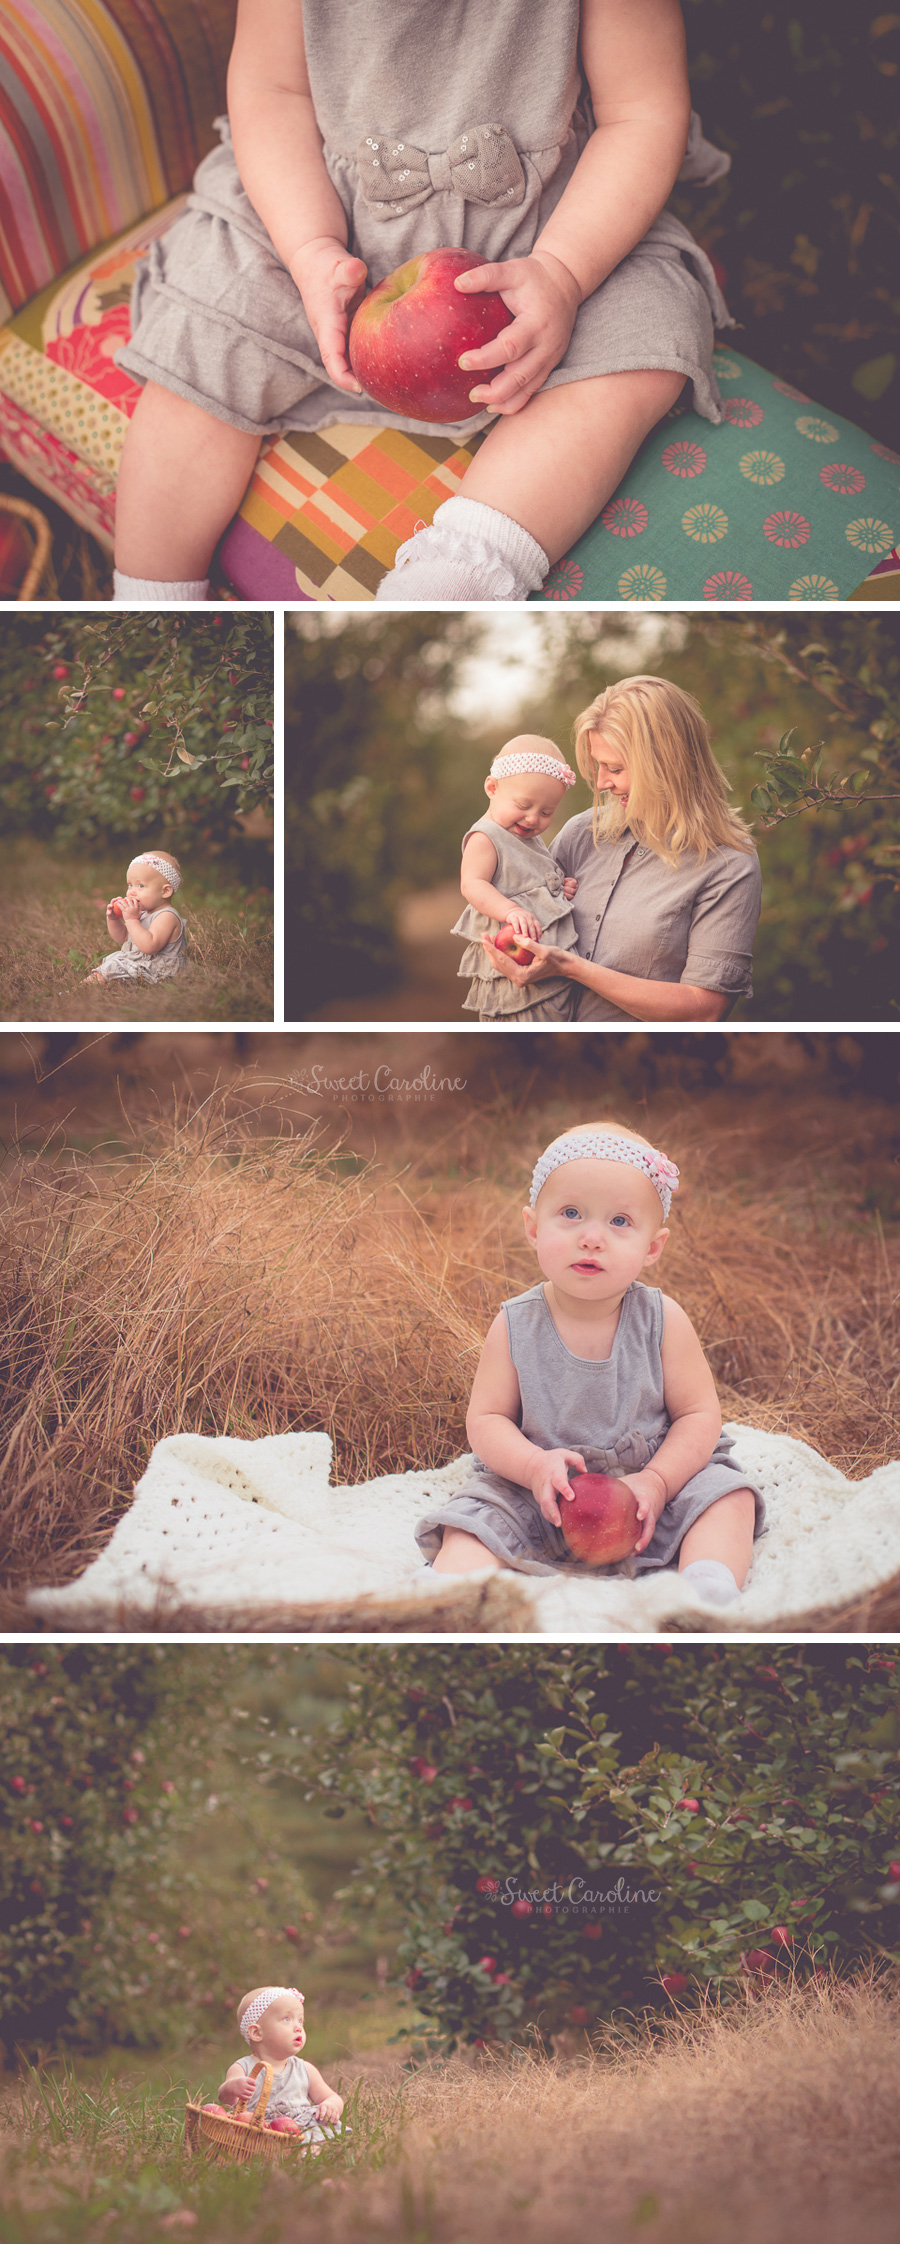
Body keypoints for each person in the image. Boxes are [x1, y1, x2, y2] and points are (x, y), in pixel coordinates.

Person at [111, 0, 733, 605]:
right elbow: (271, 92)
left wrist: (564, 273)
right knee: (208, 330)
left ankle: (454, 575)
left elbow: (641, 112)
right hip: (318, 213)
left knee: (648, 333)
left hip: (554, 229)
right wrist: (308, 246)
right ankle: (149, 603)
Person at [415, 1122, 765, 1607]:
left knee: (728, 1495)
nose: (592, 1238)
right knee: (477, 1518)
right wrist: (533, 1466)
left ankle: (705, 1587)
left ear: (652, 1247)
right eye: (571, 1214)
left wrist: (659, 1481)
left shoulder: (662, 1319)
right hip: (540, 1495)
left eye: (619, 1221)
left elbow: (699, 1415)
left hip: (649, 1490)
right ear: (533, 1228)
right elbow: (487, 1419)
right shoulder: (515, 1324)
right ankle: (445, 1596)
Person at [483, 676, 762, 1022]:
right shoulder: (581, 834)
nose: (602, 783)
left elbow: (704, 1010)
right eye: (599, 765)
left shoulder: (728, 863)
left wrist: (572, 967)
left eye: (614, 768)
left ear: (666, 763)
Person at [453, 735, 580, 1021]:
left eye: (546, 812)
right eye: (523, 806)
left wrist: (557, 890)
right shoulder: (486, 837)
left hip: (548, 970)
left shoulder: (527, 837)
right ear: (492, 788)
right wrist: (510, 910)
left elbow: (531, 882)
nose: (533, 819)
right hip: (514, 970)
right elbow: (472, 884)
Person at [218, 1985, 344, 2147]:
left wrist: (331, 2105)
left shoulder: (305, 2069)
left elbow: (331, 2097)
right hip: (258, 2129)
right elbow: (226, 2100)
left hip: (299, 2127)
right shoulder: (243, 2068)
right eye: (287, 2019)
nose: (298, 2027)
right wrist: (232, 2088)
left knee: (315, 2127)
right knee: (237, 2130)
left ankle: (308, 2149)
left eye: (300, 2020)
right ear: (257, 2033)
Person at [85, 851, 188, 985]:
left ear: (165, 891)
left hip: (160, 970)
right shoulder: (143, 913)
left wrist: (131, 920)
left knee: (113, 966)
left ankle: (80, 989)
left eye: (140, 886)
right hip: (141, 964)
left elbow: (149, 946)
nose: (132, 892)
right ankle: (94, 985)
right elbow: (123, 937)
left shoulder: (167, 916)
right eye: (130, 885)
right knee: (114, 961)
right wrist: (114, 920)